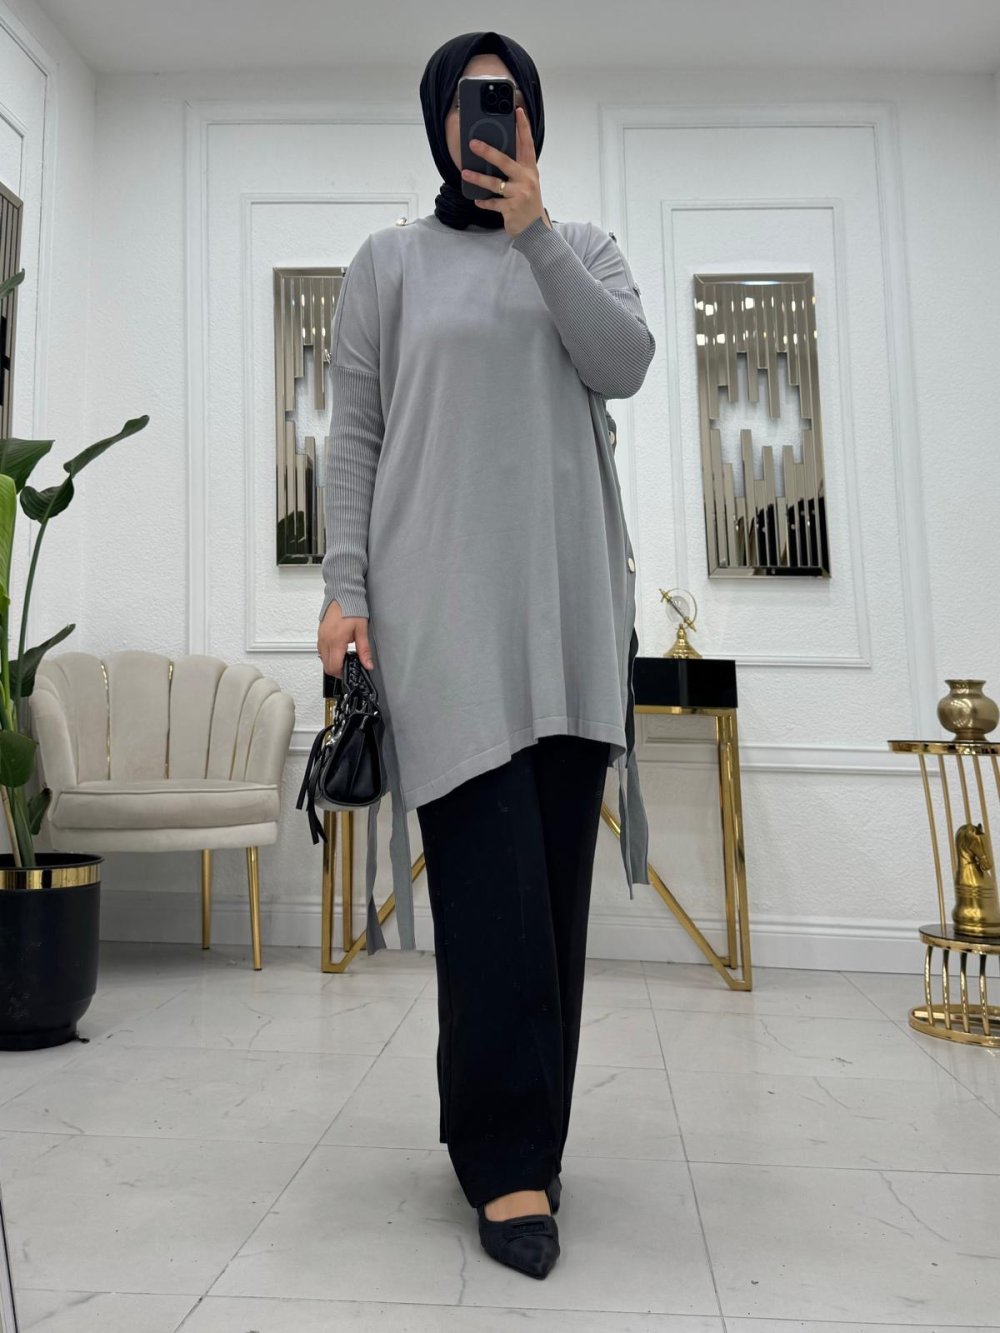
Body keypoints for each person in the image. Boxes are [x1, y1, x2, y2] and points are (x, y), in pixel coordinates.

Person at [316, 30, 655, 1279]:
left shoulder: (585, 250)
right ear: (438, 121)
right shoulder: (388, 264)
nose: (490, 119)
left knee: (551, 903)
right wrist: (342, 592)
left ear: (534, 121)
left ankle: (530, 1142)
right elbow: (354, 436)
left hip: (566, 620)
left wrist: (538, 234)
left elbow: (623, 364)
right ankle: (503, 1159)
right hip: (440, 616)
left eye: (509, 100)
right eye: (472, 100)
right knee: (490, 898)